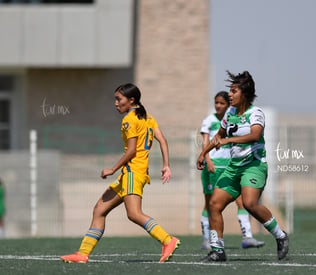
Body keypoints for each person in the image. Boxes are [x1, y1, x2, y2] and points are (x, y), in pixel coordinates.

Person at [61, 83, 180, 263]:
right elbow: (163, 141)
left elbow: (131, 151)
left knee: (134, 213)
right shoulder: (148, 117)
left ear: (131, 100)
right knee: (99, 210)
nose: (116, 103)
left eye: (119, 99)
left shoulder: (129, 120)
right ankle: (82, 254)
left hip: (132, 172)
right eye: (115, 99)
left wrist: (112, 169)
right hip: (130, 174)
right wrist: (166, 165)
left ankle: (167, 240)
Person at [197, 70, 289, 262]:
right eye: (229, 91)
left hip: (253, 166)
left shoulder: (255, 113)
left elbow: (255, 135)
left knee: (249, 203)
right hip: (234, 167)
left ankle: (281, 236)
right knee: (214, 204)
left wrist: (229, 140)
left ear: (244, 94)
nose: (229, 94)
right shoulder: (229, 113)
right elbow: (219, 136)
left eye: (233, 91)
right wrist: (203, 154)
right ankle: (217, 250)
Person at [200, 91, 265, 250]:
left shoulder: (233, 118)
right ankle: (207, 239)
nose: (219, 106)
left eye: (222, 103)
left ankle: (247, 236)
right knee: (210, 204)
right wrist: (206, 158)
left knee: (243, 202)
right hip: (214, 165)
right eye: (217, 103)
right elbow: (206, 142)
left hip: (231, 165)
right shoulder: (209, 120)